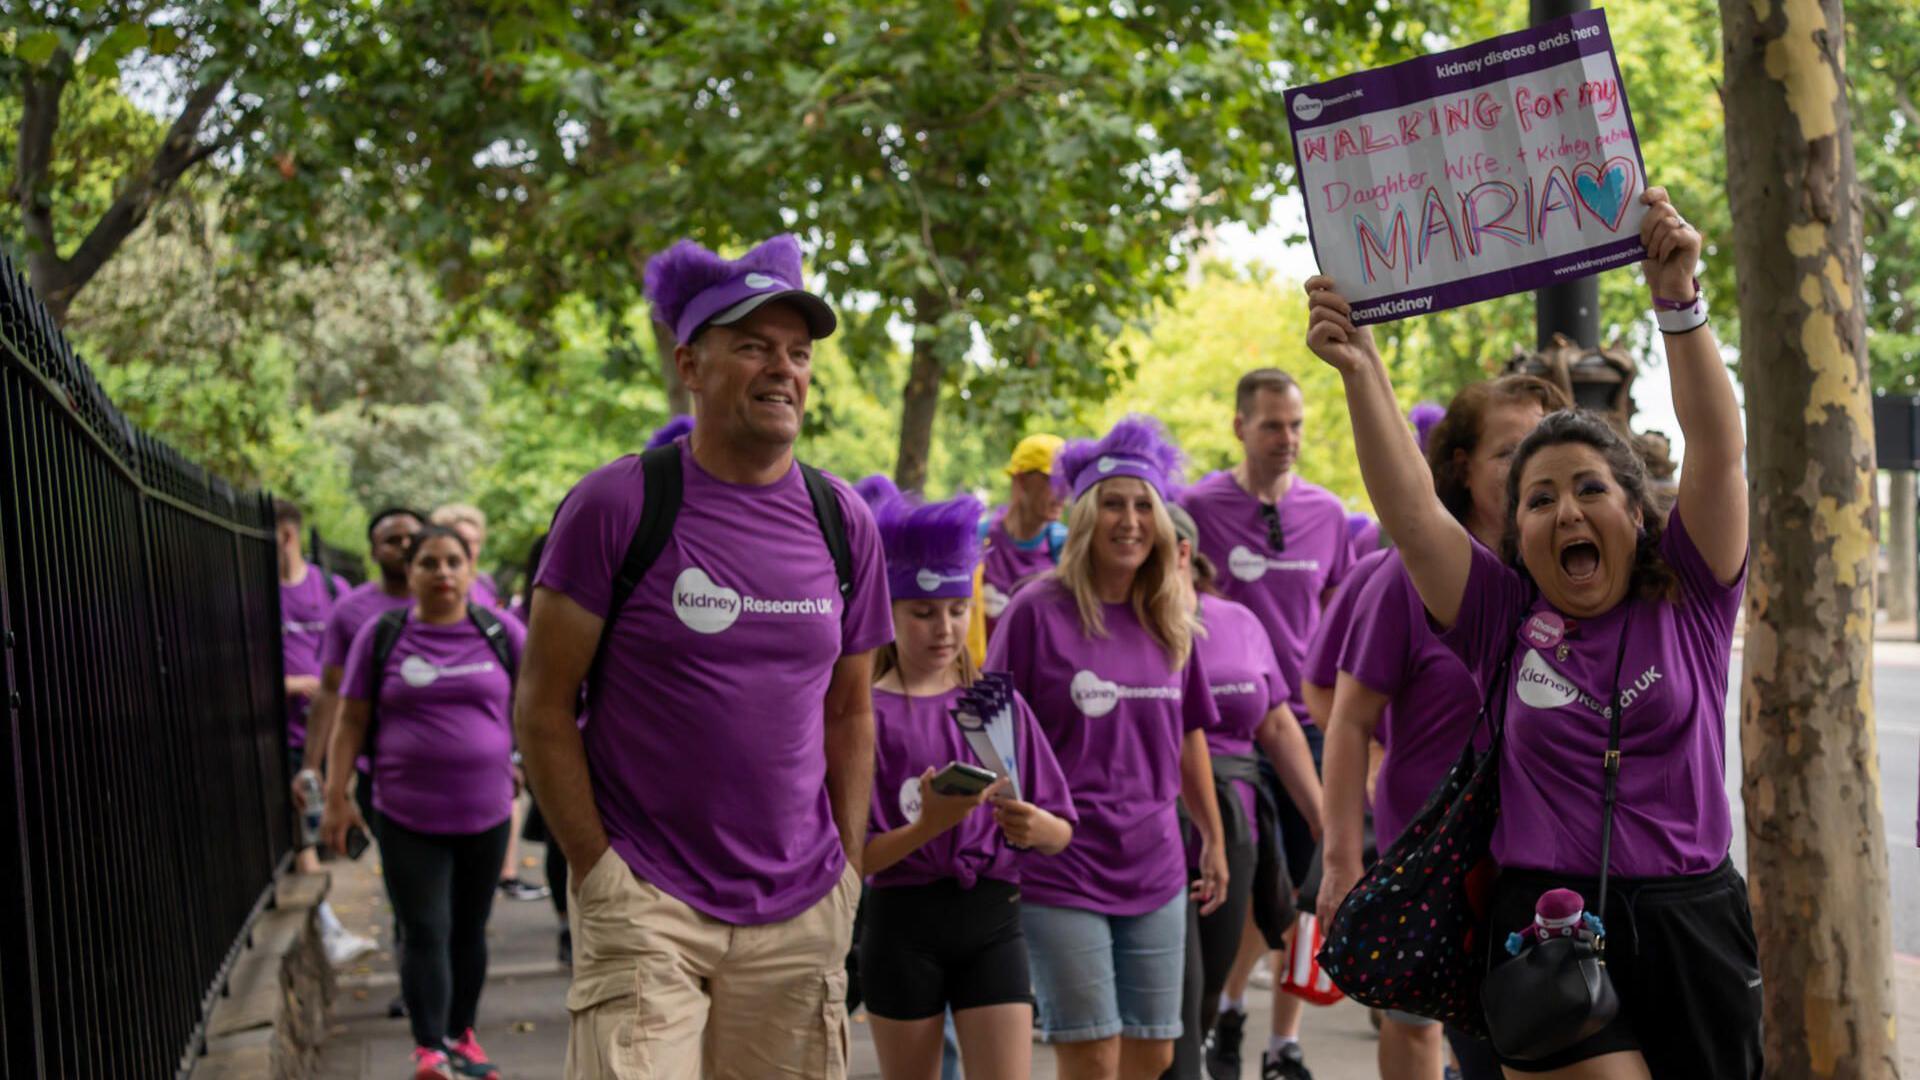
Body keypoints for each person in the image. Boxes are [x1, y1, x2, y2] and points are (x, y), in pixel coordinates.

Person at [1305, 189, 1760, 1078]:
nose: (1565, 511)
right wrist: (1362, 365)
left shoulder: (1696, 595)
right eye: (1539, 498)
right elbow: (1408, 510)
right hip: (1543, 931)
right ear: (1517, 535)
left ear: (1635, 511)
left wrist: (1679, 300)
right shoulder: (1500, 618)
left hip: (1693, 922)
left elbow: (1719, 448)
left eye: (1589, 488)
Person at [518, 233, 893, 1079]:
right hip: (647, 901)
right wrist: (598, 870)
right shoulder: (619, 504)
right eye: (753, 346)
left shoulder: (844, 522)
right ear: (690, 365)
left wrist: (849, 868)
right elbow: (543, 705)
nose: (782, 369)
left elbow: (851, 708)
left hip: (800, 911)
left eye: (797, 353)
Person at [1312, 375, 1567, 1080]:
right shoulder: (1407, 577)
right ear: (1460, 465)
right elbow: (1346, 718)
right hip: (1435, 855)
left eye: (1542, 451)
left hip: (1538, 857)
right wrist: (1341, 861)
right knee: (1429, 1026)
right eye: (1509, 452)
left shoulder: (1568, 569)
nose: (1528, 473)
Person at [988, 415, 1229, 1080]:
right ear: (1088, 516)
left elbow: (1188, 737)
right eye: (1114, 505)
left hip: (1155, 862)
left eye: (1143, 506)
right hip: (1065, 864)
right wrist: (1019, 816)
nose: (1129, 521)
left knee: (1153, 1051)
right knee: (1090, 1052)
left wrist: (1210, 835)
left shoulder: (1171, 620)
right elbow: (989, 727)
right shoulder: (1036, 609)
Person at [861, 493, 1077, 1080]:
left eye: (958, 609)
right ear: (889, 612)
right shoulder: (862, 716)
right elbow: (850, 859)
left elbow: (1060, 832)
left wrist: (1036, 826)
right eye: (923, 612)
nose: (945, 628)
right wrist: (927, 828)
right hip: (901, 922)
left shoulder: (995, 704)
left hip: (992, 918)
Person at [1182, 370, 1352, 1080]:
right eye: (1273, 425)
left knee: (1304, 892)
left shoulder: (1329, 513)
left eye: (1297, 426)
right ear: (1239, 428)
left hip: (1306, 723)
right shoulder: (1196, 506)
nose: (1288, 440)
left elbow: (1343, 615)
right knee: (1254, 883)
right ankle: (1225, 1007)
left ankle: (1281, 1041)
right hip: (1224, 726)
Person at [321, 525, 526, 1080]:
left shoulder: (500, 632)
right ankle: (430, 1047)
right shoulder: (381, 634)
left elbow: (536, 707)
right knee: (426, 927)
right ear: (410, 575)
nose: (442, 573)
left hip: (486, 811)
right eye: (429, 563)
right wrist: (337, 797)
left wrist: (529, 766)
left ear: (470, 569)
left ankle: (464, 1037)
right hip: (406, 812)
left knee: (469, 926)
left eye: (453, 562)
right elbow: (351, 720)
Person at [1164, 504, 1323, 1080]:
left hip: (1236, 824)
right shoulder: (1125, 626)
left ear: (1184, 553)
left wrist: (1325, 823)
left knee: (1205, 985)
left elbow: (1277, 726)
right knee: (1164, 1000)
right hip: (1154, 817)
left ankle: (1202, 1050)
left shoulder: (1238, 622)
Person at [275, 500, 377, 967]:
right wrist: (295, 684)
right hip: (274, 735)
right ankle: (329, 930)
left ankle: (329, 928)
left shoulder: (329, 587)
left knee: (316, 834)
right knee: (302, 839)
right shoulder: (250, 590)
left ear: (287, 536)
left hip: (325, 732)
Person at [981, 434, 1068, 637]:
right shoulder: (979, 540)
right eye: (1053, 482)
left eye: (1067, 484)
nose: (1063, 494)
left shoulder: (1067, 547)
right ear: (1021, 480)